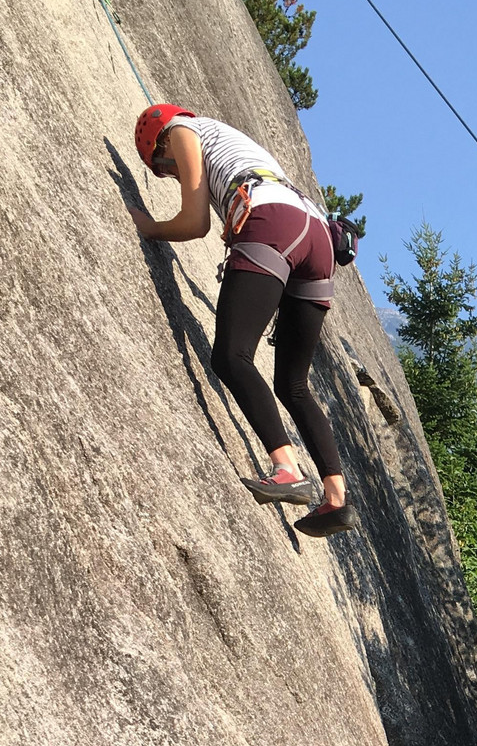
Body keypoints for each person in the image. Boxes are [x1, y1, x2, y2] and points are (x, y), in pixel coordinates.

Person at [129, 103, 353, 538]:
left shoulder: (180, 129)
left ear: (158, 142)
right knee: (294, 384)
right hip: (318, 237)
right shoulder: (233, 143)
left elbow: (195, 222)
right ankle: (336, 498)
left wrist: (149, 227)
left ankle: (285, 467)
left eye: (163, 168)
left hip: (272, 222)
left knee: (232, 356)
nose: (171, 174)